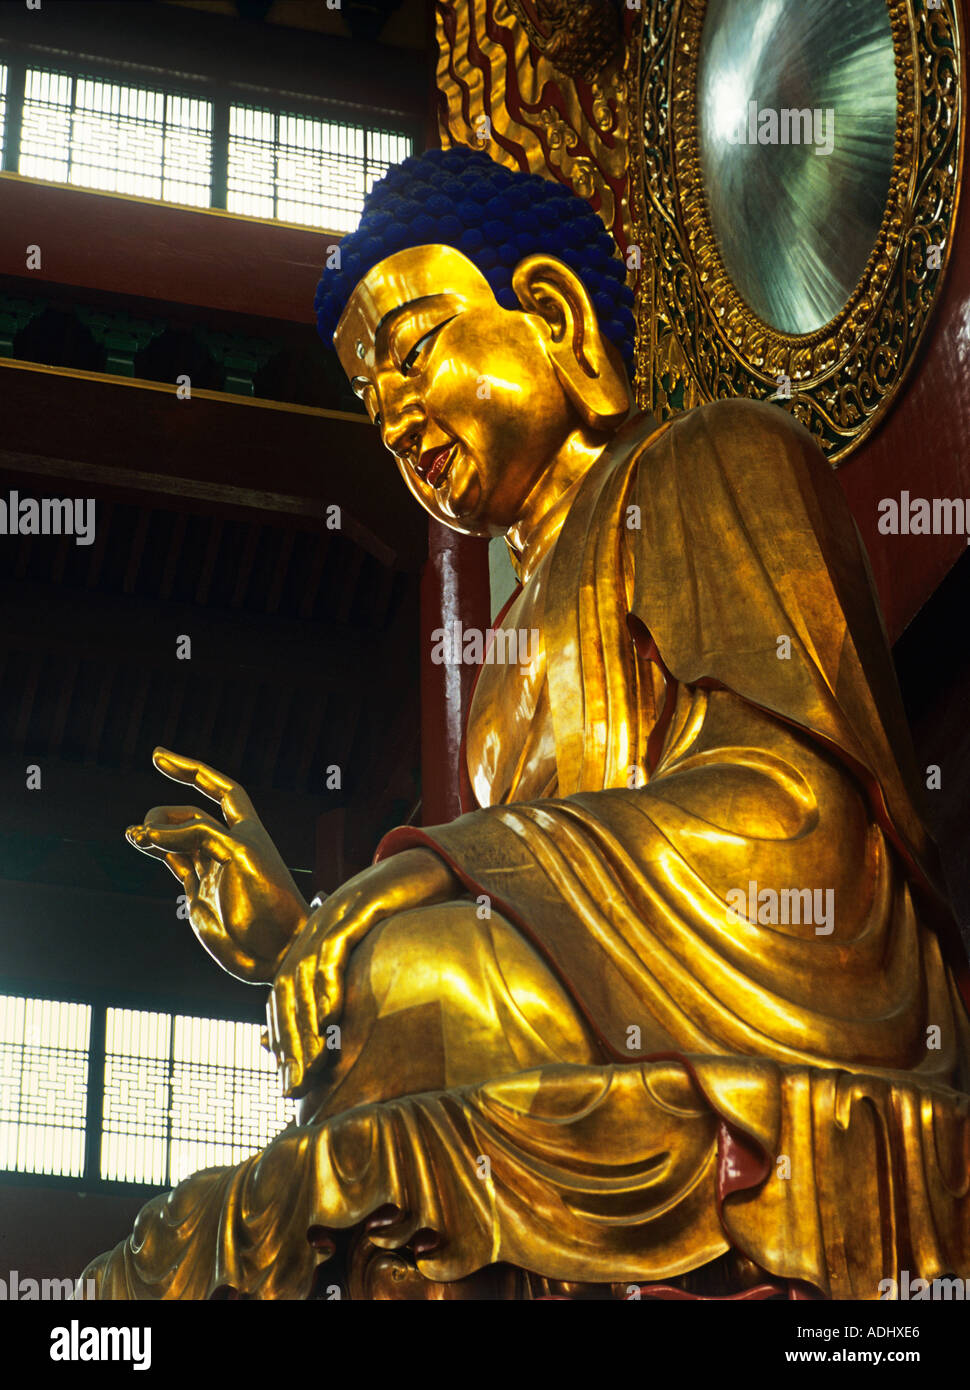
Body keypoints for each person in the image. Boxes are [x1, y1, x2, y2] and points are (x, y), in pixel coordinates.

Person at [82, 148, 970, 1301]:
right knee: (377, 992)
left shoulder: (714, 457)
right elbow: (515, 925)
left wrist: (420, 883)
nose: (395, 416)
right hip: (585, 1012)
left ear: (549, 313)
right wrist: (304, 937)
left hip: (749, 998)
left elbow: (804, 831)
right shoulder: (501, 661)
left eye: (414, 352)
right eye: (370, 399)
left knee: (406, 972)